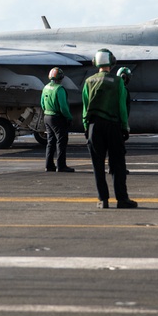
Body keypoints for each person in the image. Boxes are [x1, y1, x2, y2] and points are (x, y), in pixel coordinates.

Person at [82, 49, 136, 209]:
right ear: (111, 63)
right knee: (118, 164)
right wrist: (125, 126)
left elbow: (86, 107)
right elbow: (121, 107)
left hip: (94, 126)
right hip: (113, 126)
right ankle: (122, 199)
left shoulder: (88, 81)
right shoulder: (118, 81)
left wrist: (86, 127)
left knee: (97, 165)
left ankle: (102, 199)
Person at [40, 67, 74, 173]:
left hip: (47, 117)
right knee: (61, 141)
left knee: (51, 142)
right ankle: (61, 165)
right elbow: (63, 107)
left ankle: (49, 165)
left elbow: (42, 103)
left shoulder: (45, 87)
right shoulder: (59, 89)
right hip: (57, 117)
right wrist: (69, 117)